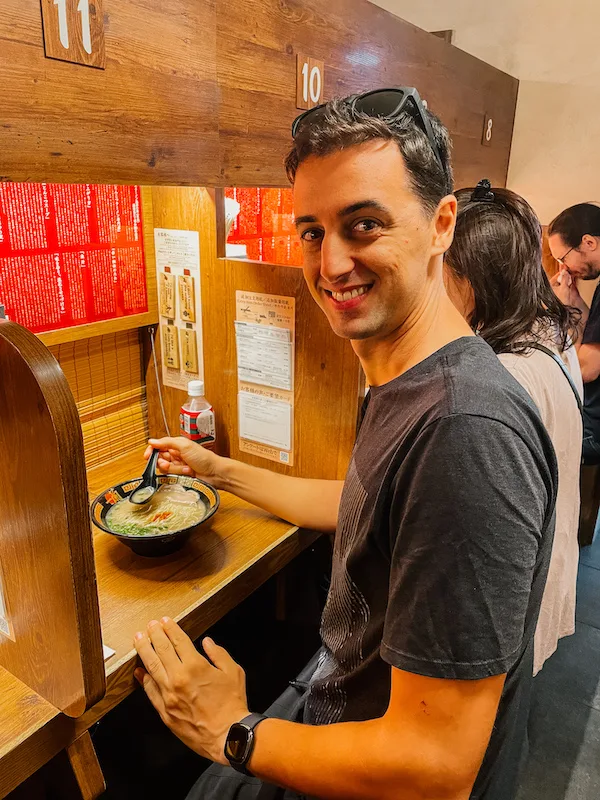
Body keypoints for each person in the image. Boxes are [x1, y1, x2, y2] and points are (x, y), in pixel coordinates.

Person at [133, 89, 557, 800]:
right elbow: (363, 507)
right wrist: (218, 471)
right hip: (335, 709)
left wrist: (230, 731)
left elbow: (436, 766)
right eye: (311, 231)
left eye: (363, 225)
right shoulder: (413, 382)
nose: (331, 265)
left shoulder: (465, 433)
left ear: (441, 225)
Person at [444, 181, 582, 675]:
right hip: (547, 551)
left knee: (494, 719)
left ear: (473, 280)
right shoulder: (549, 330)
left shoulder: (504, 374)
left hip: (516, 586)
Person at [548, 202, 600, 463]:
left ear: (589, 242)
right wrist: (574, 303)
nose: (564, 268)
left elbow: (586, 370)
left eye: (563, 257)